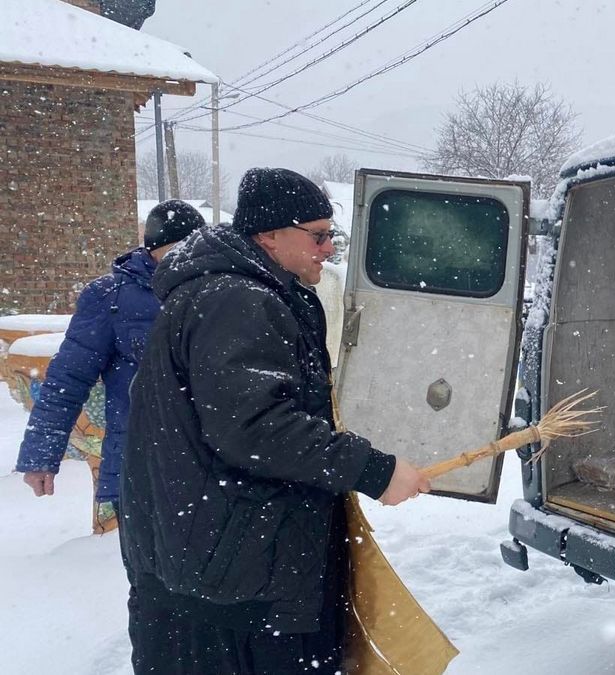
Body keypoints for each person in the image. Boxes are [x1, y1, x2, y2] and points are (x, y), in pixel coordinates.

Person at [119, 167, 430, 674]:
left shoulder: (230, 292)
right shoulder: (236, 299)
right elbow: (256, 427)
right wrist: (374, 470)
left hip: (208, 566)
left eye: (332, 234)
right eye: (318, 235)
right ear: (268, 235)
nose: (328, 248)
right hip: (233, 581)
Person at [15, 200, 206, 531]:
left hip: (211, 464)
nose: (186, 260)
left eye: (195, 249)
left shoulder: (216, 292)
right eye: (177, 250)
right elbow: (67, 380)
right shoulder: (110, 297)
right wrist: (41, 457)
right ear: (155, 249)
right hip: (142, 464)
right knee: (152, 574)